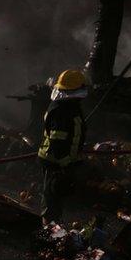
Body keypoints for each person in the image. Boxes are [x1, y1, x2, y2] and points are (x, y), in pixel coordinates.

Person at [38, 69, 87, 225]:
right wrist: (65, 163)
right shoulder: (61, 110)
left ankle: (54, 226)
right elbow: (57, 142)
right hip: (54, 161)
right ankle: (47, 232)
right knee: (51, 199)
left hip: (59, 161)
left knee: (57, 197)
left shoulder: (69, 106)